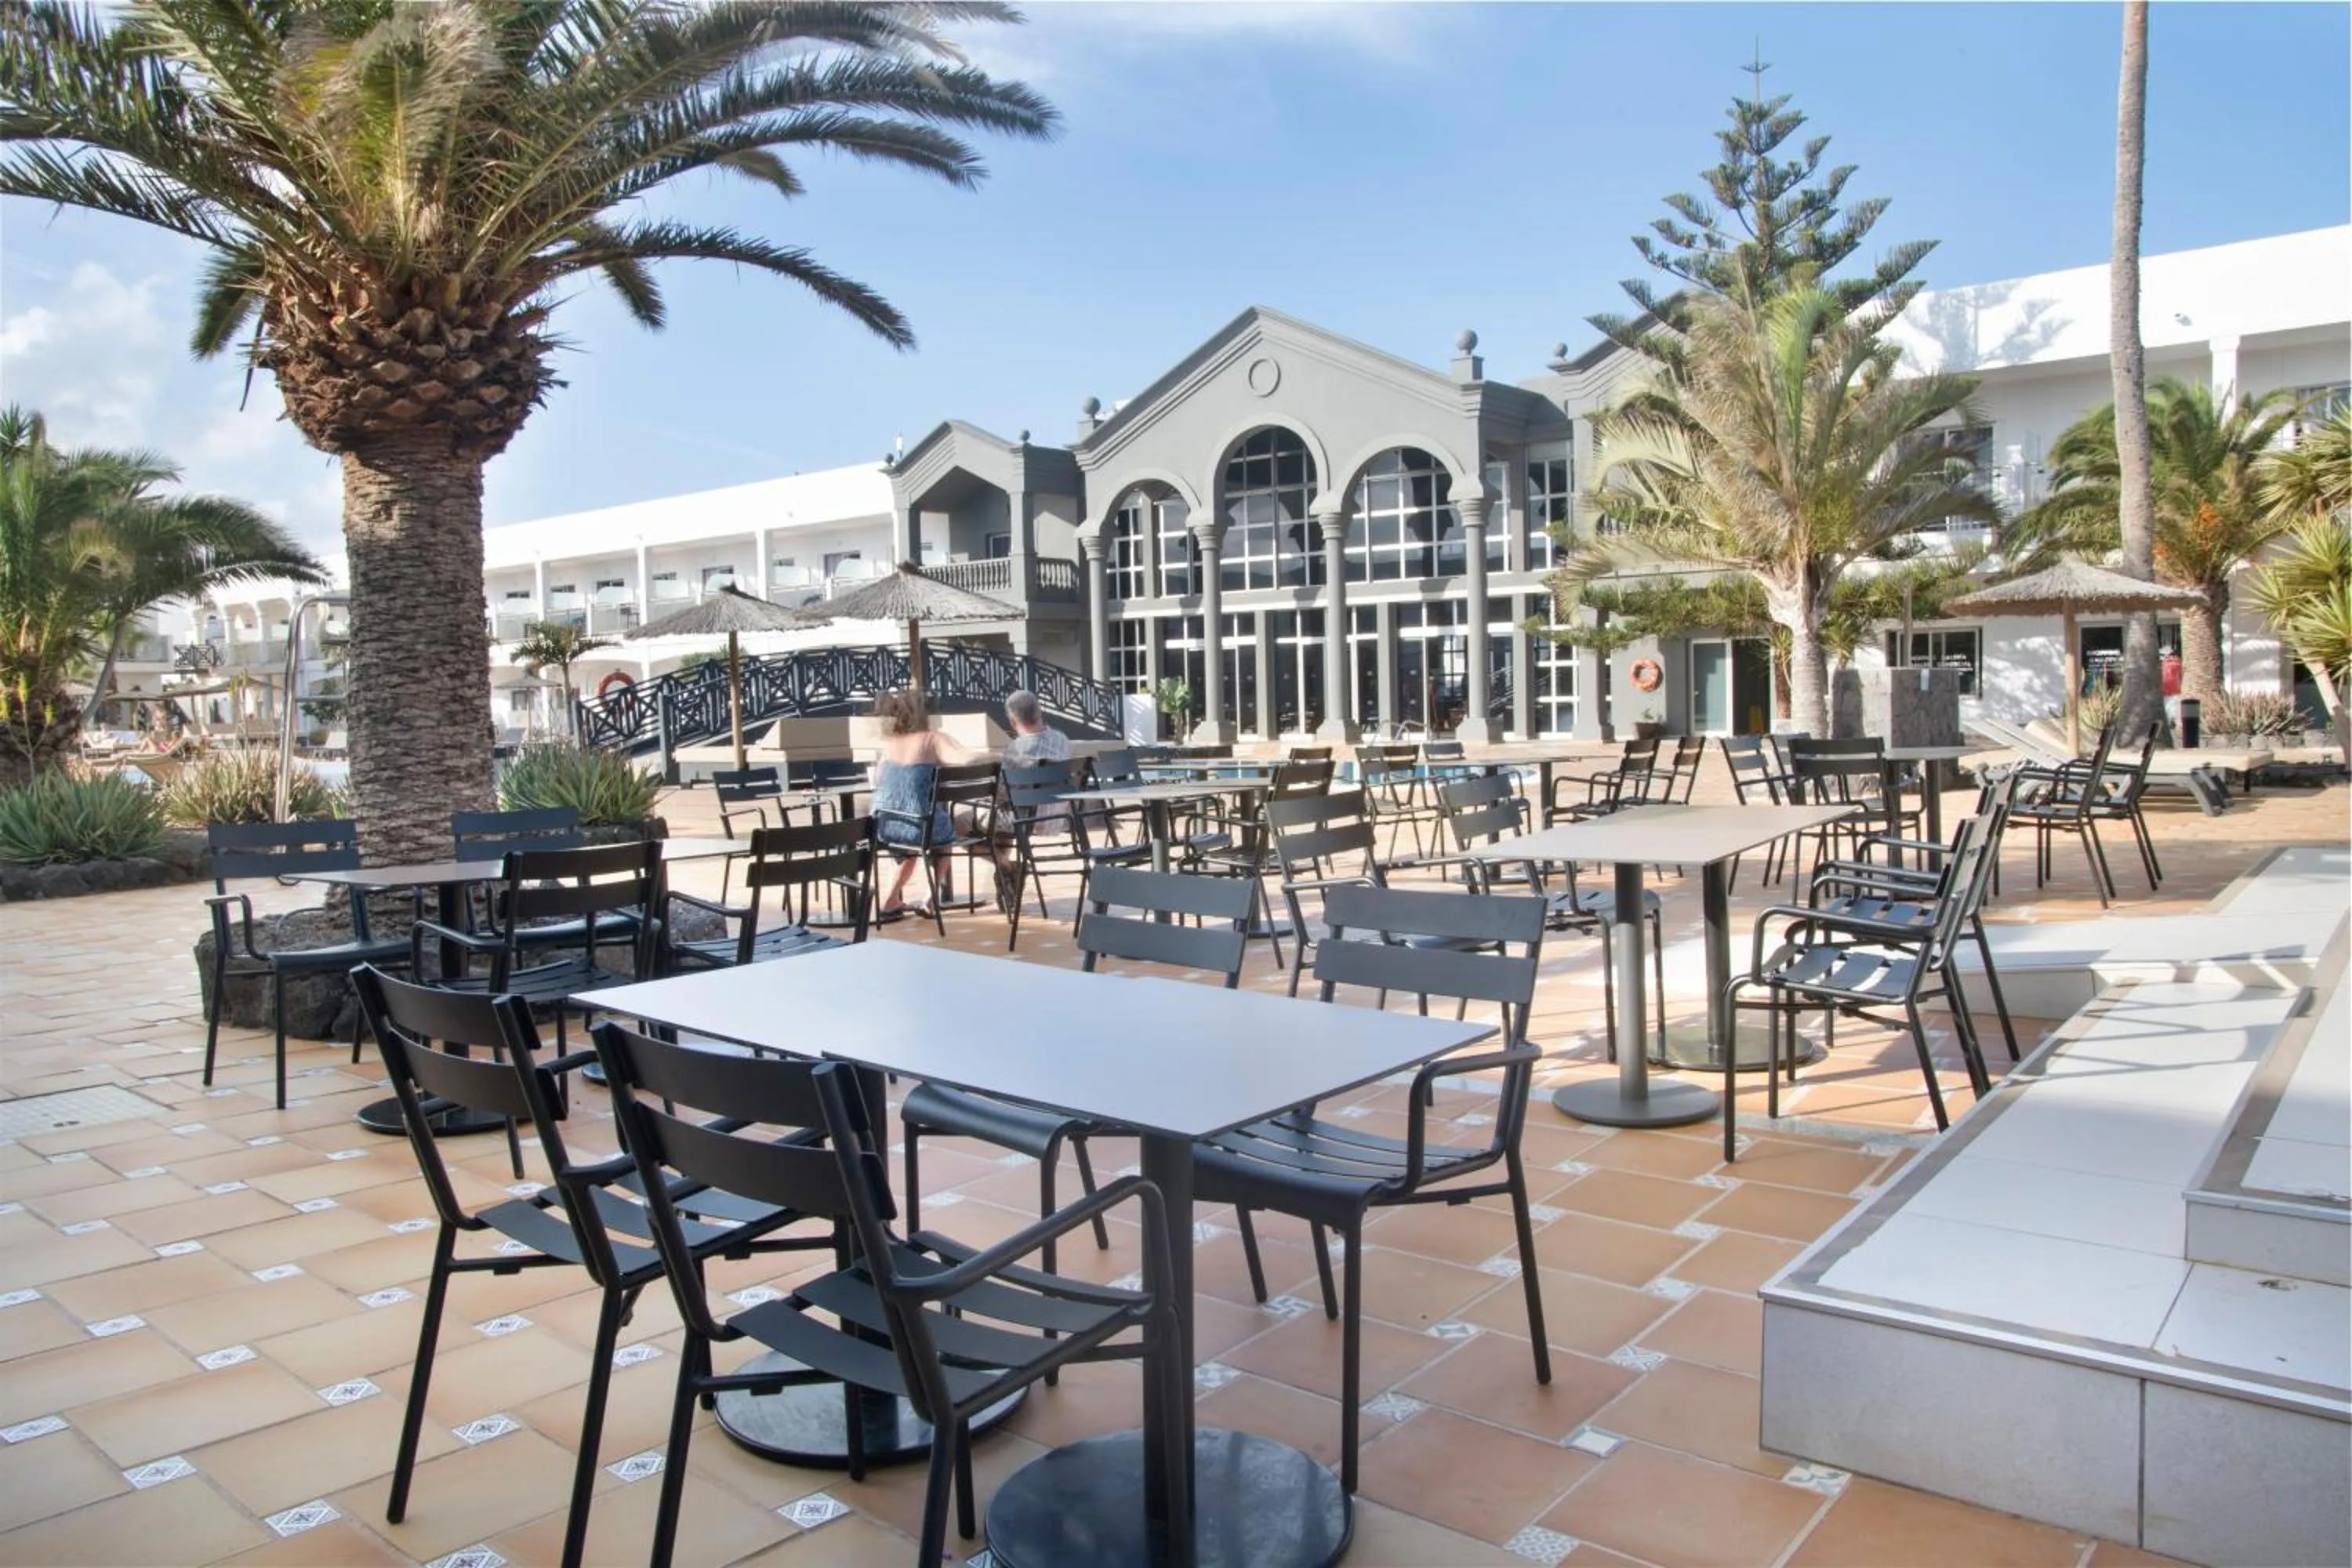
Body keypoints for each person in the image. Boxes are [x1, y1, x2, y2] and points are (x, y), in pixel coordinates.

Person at [869, 688, 975, 920]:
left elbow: (878, 779)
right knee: (943, 837)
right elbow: (966, 760)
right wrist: (996, 757)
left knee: (908, 848)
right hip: (920, 824)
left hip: (884, 824)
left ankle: (890, 901)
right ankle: (931, 898)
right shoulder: (932, 739)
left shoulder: (889, 744)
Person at [1002, 689, 1071, 765]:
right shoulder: (1062, 740)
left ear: (1012, 722)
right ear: (1040, 711)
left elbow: (1005, 776)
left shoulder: (1014, 751)